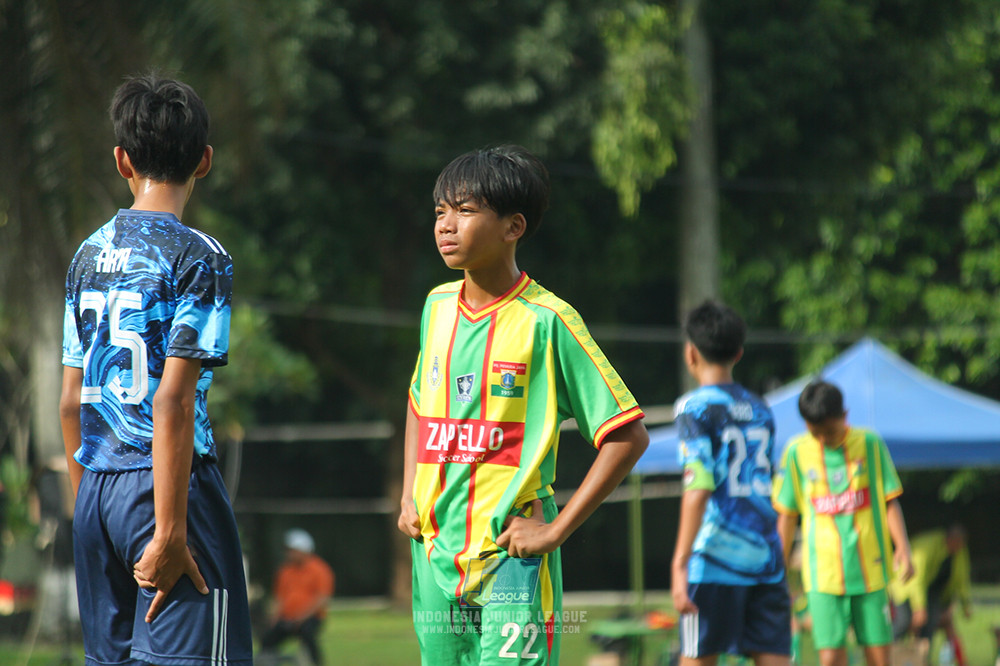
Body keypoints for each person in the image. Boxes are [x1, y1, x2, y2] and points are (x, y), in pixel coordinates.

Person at [396, 144, 649, 665]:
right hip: (435, 552)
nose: (446, 225)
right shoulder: (436, 307)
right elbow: (420, 402)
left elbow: (626, 435)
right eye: (441, 211)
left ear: (514, 226)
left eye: (465, 210)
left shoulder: (547, 320)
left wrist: (556, 530)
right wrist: (408, 495)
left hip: (512, 555)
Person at [59, 74, 252, 666]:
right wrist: (168, 530)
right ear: (205, 161)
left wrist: (90, 512)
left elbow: (69, 401)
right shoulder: (200, 256)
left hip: (95, 491)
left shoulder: (87, 255)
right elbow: (172, 399)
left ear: (122, 160)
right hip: (165, 487)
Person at [669, 301, 790, 666]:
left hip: (713, 561)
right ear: (739, 353)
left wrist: (680, 562)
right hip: (766, 560)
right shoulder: (762, 408)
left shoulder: (693, 408)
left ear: (691, 353)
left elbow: (699, 487)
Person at [773, 380, 914, 666]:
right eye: (816, 433)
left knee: (879, 658)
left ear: (845, 416)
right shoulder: (796, 452)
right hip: (822, 574)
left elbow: (889, 500)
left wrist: (902, 547)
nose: (823, 439)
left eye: (830, 432)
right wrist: (779, 565)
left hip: (870, 570)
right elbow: (787, 514)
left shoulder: (870, 444)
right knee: (830, 657)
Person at [891, 525, 972, 665]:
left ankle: (922, 659)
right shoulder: (927, 548)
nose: (958, 547)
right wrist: (919, 608)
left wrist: (966, 605)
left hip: (930, 591)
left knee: (931, 622)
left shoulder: (959, 552)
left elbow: (961, 578)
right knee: (903, 621)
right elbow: (916, 579)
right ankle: (886, 657)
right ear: (949, 539)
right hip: (904, 585)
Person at [261, 529, 335, 666]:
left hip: (310, 617)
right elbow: (279, 597)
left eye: (292, 550)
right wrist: (274, 617)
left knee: (307, 633)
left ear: (304, 550)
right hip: (287, 618)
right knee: (267, 639)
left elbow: (322, 598)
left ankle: (316, 662)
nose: (289, 554)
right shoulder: (285, 571)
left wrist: (302, 617)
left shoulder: (319, 569)